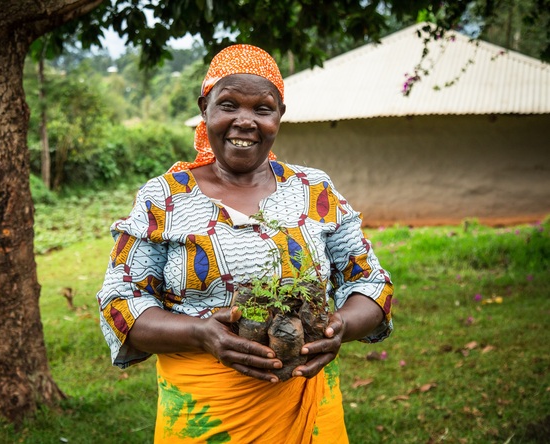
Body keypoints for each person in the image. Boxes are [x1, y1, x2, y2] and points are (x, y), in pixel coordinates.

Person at [96, 44, 394, 443]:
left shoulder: (313, 190)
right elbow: (120, 303)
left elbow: (372, 283)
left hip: (307, 409)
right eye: (229, 104)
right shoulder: (165, 199)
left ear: (279, 116)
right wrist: (202, 333)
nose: (245, 121)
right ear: (205, 108)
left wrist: (340, 326)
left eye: (262, 109)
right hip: (204, 413)